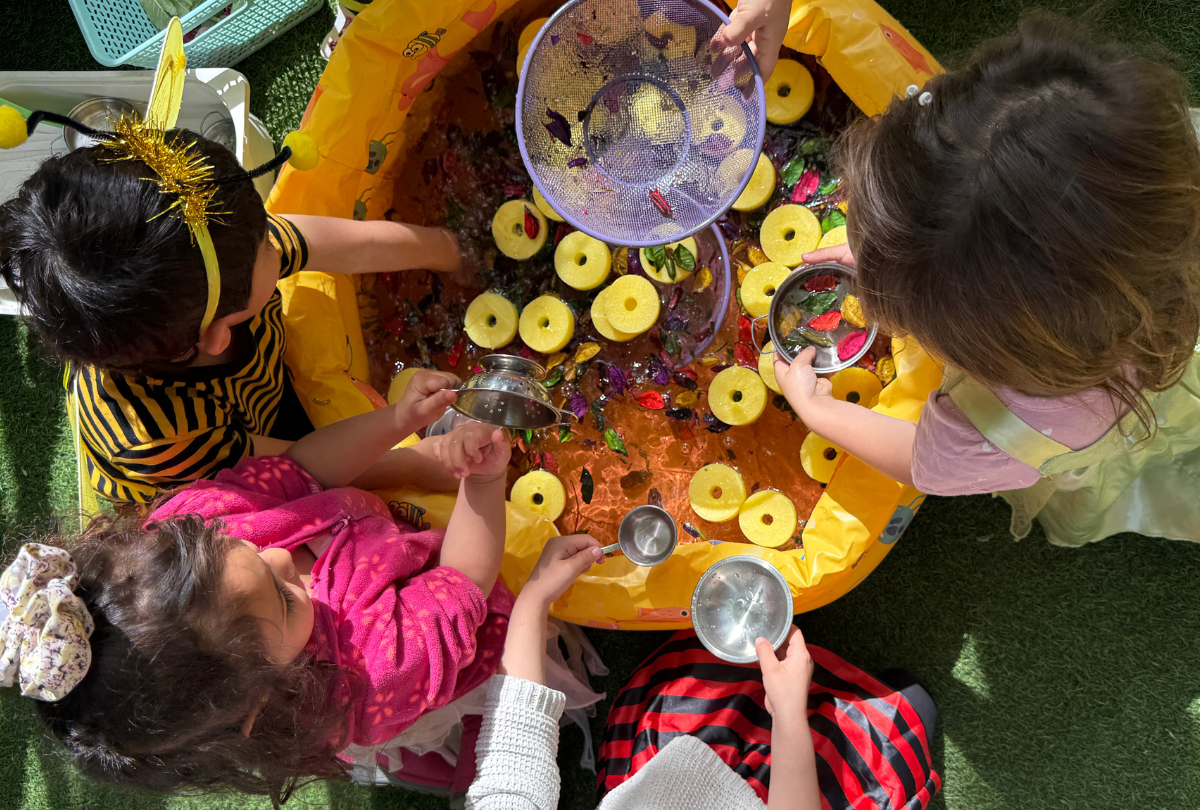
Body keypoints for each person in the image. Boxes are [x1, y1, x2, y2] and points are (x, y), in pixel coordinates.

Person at [774, 14, 1200, 547]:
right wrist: (899, 253)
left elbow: (920, 462)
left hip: (1121, 423)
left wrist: (820, 410)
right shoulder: (1142, 174)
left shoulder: (1009, 425)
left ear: (988, 348)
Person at [0, 371, 518, 806]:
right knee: (450, 705)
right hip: (456, 616)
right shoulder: (375, 671)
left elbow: (302, 468)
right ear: (253, 704)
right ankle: (442, 759)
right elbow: (463, 583)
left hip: (393, 561)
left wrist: (397, 420)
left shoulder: (198, 527)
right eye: (287, 599)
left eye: (241, 546)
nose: (277, 554)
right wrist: (486, 484)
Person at [0, 130, 463, 504]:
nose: (276, 241)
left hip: (249, 392)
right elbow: (299, 465)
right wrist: (414, 458)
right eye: (266, 243)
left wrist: (447, 248)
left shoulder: (206, 250)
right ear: (220, 332)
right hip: (195, 469)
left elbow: (335, 242)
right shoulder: (156, 436)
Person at [464, 539, 940, 810]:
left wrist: (535, 597)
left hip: (664, 778)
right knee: (912, 710)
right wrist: (787, 716)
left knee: (694, 666)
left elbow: (513, 761)